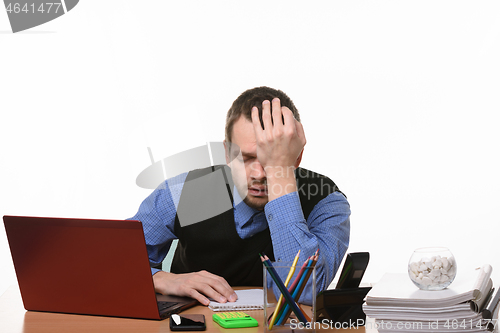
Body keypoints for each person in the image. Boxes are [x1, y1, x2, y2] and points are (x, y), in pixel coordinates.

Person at [129, 86, 350, 306]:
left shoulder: (325, 200)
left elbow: (303, 292)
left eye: (270, 158)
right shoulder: (183, 193)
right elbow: (110, 263)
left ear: (297, 156)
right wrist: (160, 278)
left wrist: (279, 174)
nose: (259, 174)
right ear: (227, 152)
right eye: (246, 158)